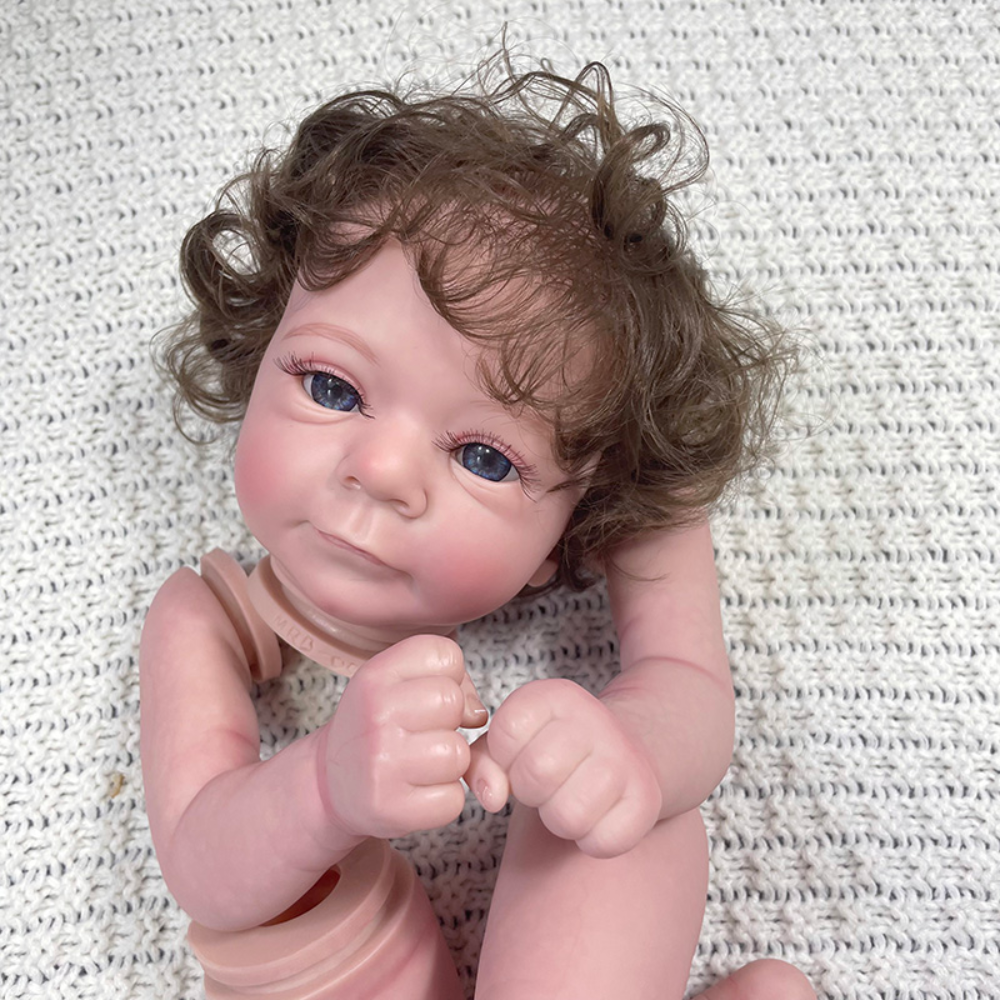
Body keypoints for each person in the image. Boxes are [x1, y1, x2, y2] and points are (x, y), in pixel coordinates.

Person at [140, 59, 815, 999]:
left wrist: (629, 754)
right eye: (331, 387)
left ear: (570, 531)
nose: (380, 471)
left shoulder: (606, 493)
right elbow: (200, 868)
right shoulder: (199, 619)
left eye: (484, 458)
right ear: (259, 354)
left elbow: (691, 686)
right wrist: (325, 785)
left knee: (625, 812)